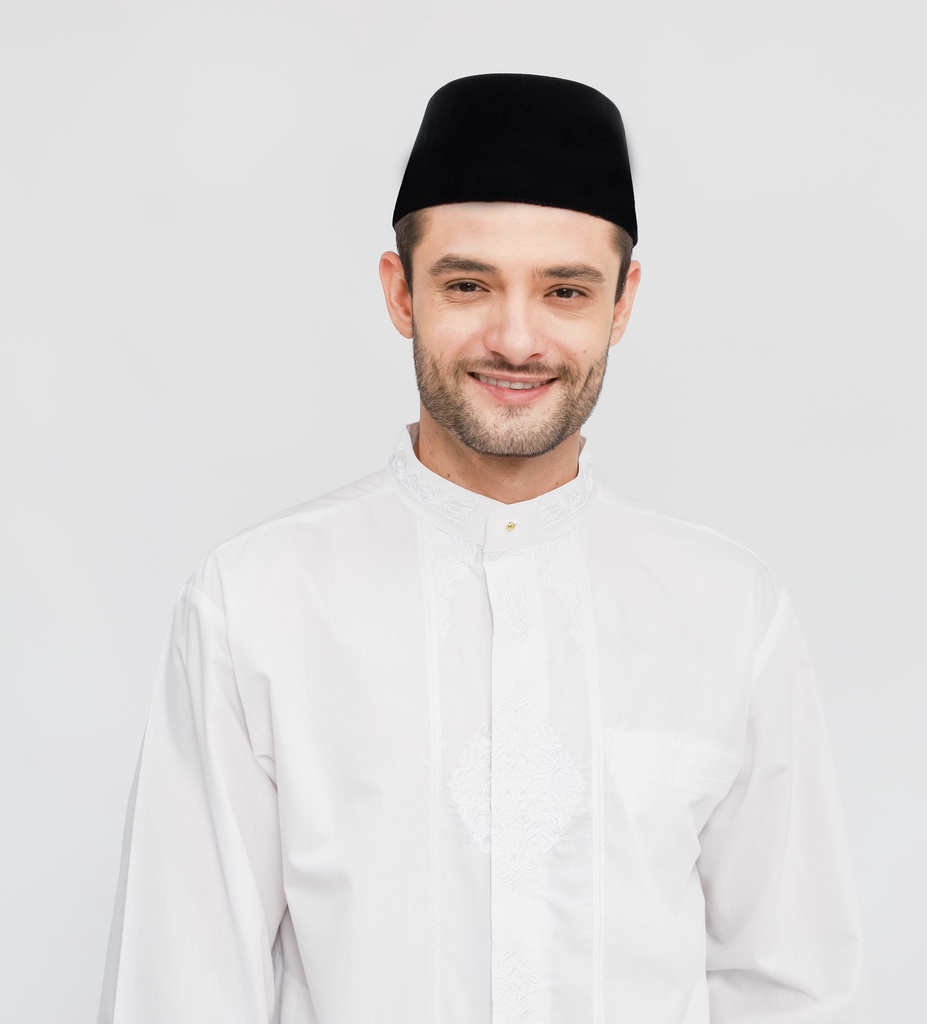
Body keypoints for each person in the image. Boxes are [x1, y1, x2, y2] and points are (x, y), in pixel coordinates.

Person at [99, 74, 871, 1023]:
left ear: (622, 304)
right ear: (401, 292)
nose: (515, 338)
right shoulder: (253, 606)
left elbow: (792, 989)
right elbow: (180, 990)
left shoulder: (729, 615)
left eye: (564, 290)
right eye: (468, 285)